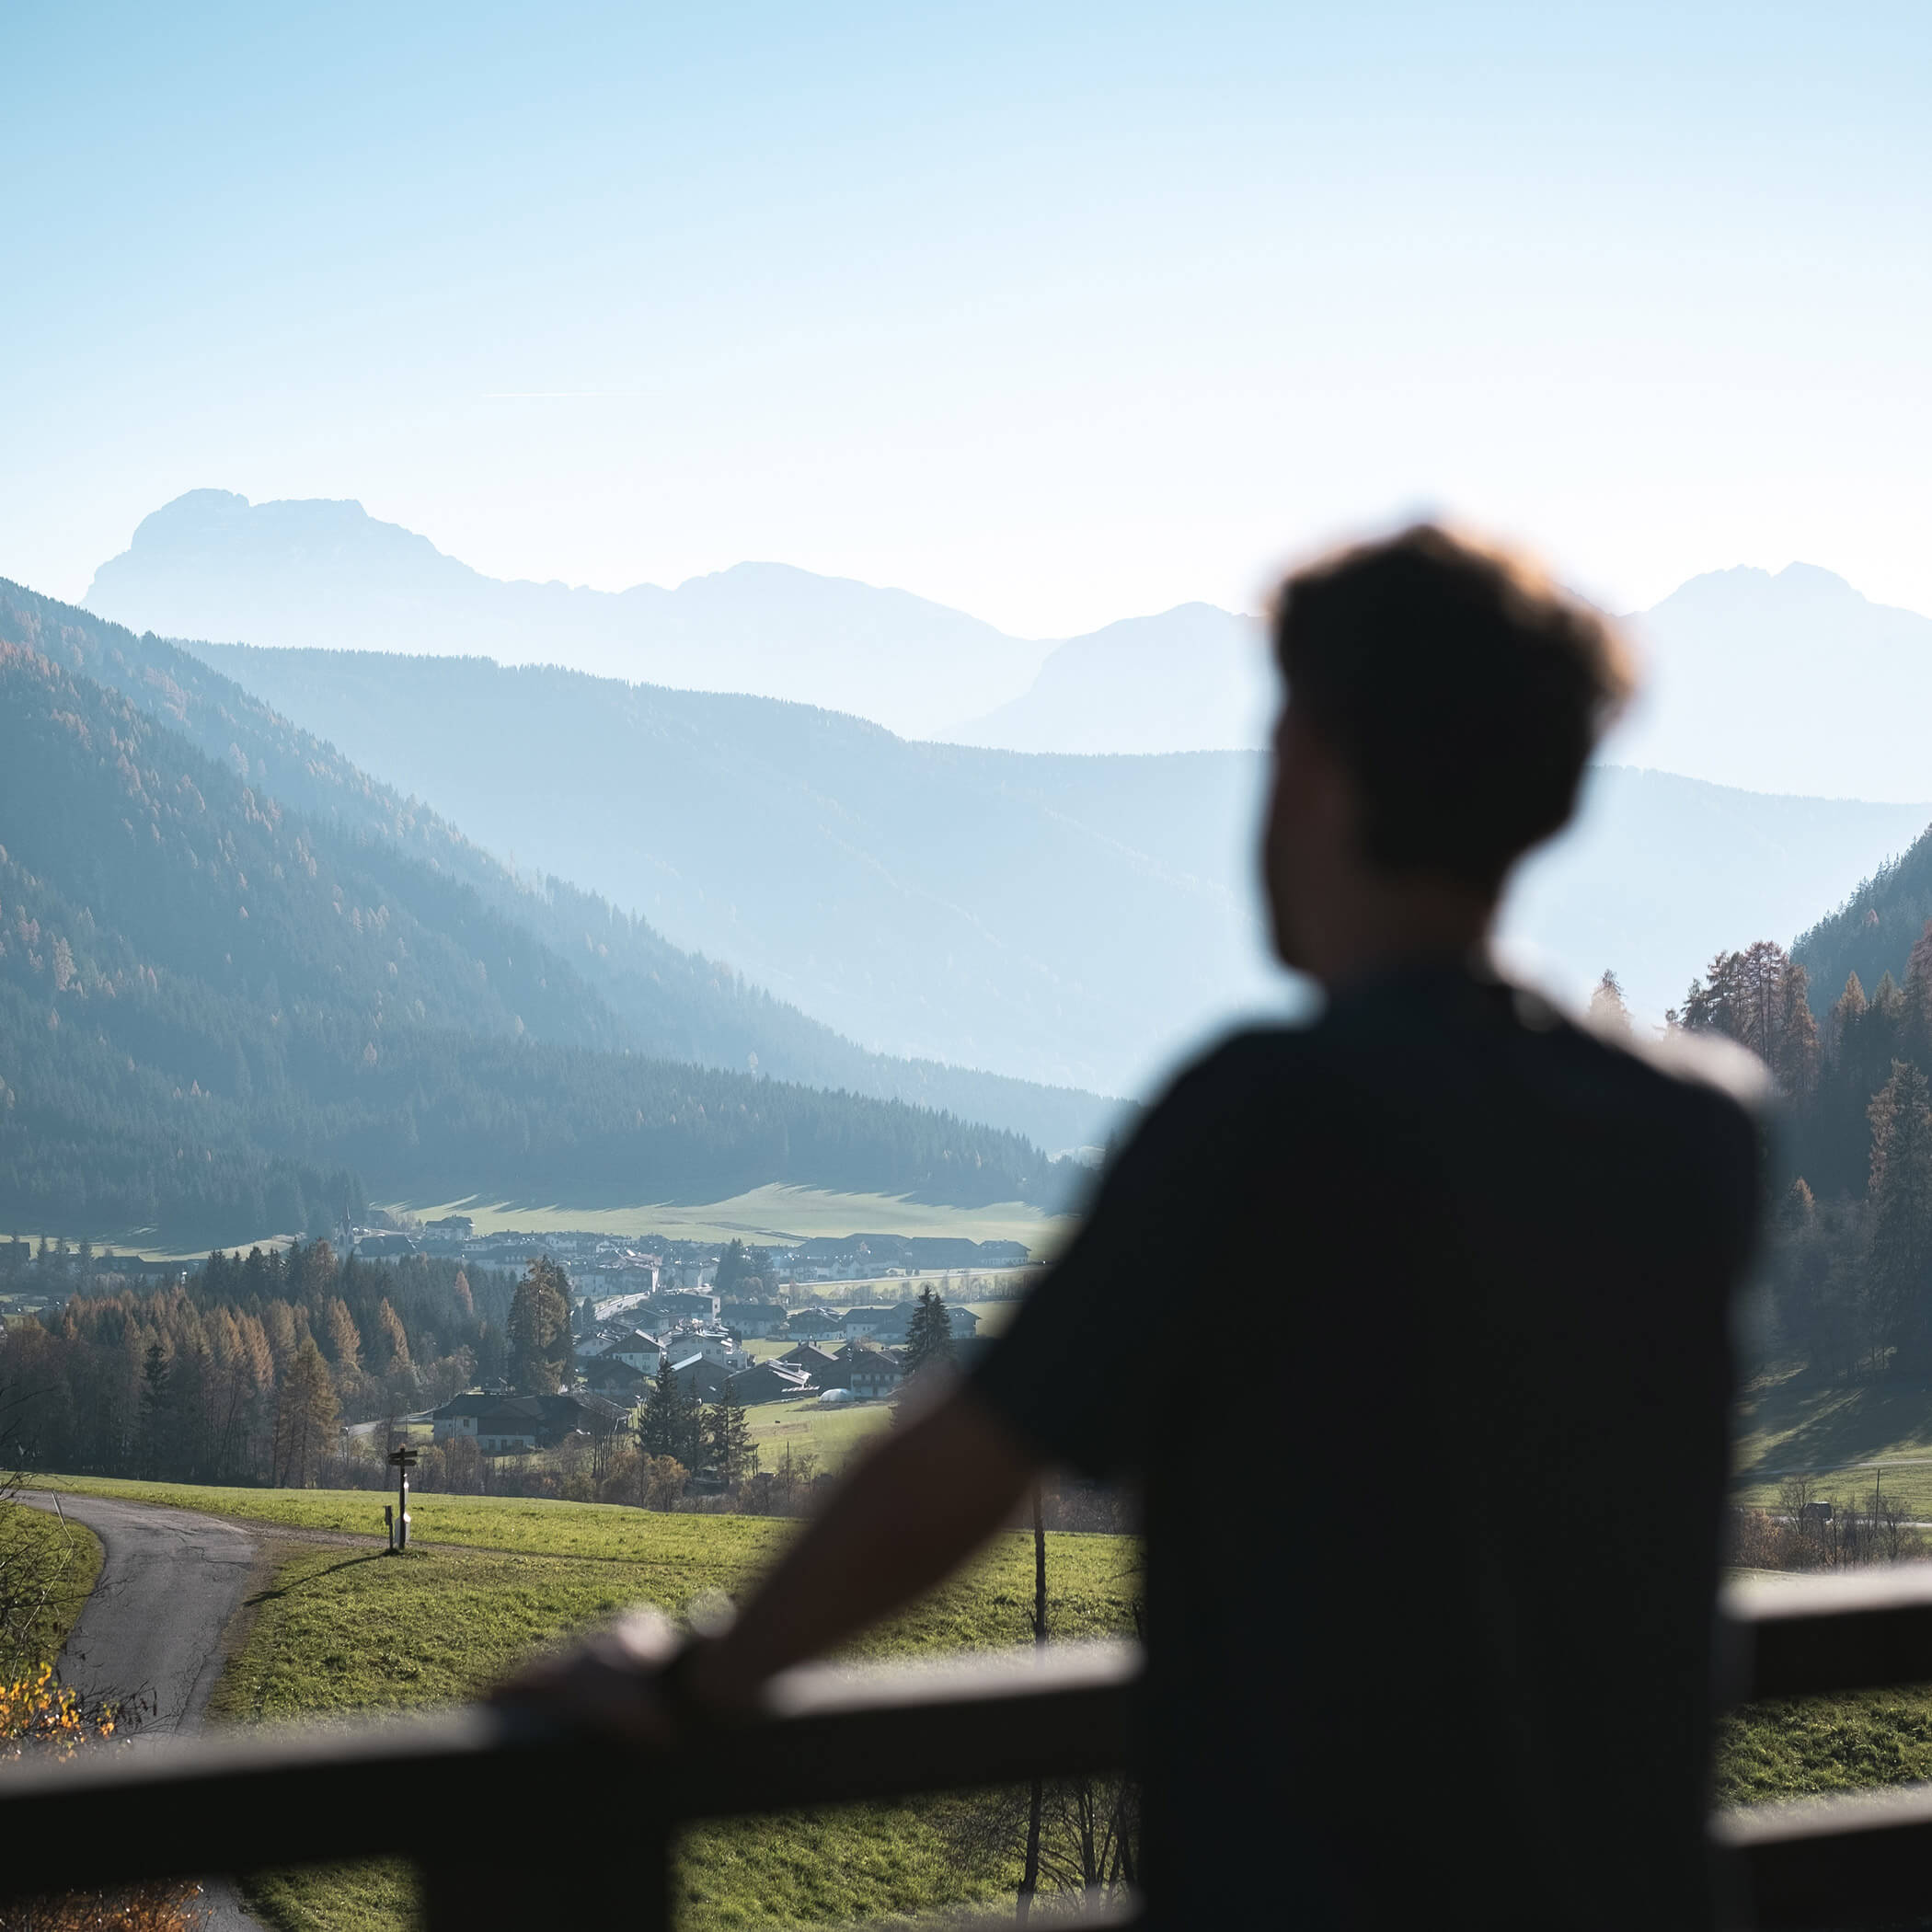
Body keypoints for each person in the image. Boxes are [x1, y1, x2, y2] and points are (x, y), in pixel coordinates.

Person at [502, 525, 1766, 1928]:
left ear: (1316, 771)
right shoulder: (1696, 1130)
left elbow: (969, 1460)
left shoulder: (1271, 1118)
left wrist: (696, 1680)